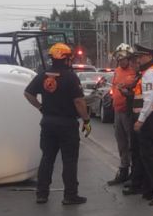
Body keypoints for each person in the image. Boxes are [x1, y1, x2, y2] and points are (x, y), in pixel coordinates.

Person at [23, 42, 92, 205]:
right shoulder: (70, 77)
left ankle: (41, 194)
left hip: (48, 123)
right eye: (69, 58)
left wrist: (41, 107)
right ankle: (70, 195)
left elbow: (28, 93)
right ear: (65, 59)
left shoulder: (43, 75)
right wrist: (86, 119)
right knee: (69, 160)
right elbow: (79, 102)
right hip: (67, 124)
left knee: (47, 158)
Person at [122, 43, 153, 206]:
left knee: (150, 157)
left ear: (149, 57)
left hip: (151, 119)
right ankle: (149, 190)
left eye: (141, 57)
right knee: (148, 156)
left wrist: (140, 120)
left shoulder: (150, 73)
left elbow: (149, 100)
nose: (138, 60)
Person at [106, 43, 138, 186]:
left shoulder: (136, 71)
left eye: (123, 59)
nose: (120, 61)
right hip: (117, 111)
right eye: (119, 59)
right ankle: (123, 170)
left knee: (132, 143)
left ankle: (134, 172)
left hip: (129, 112)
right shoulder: (117, 70)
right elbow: (114, 87)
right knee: (121, 143)